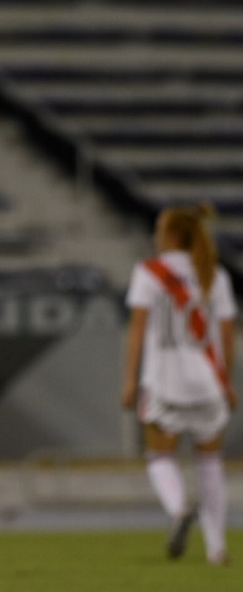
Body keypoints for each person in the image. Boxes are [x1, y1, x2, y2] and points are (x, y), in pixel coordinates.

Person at [122, 204, 237, 565]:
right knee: (210, 464)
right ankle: (217, 548)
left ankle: (178, 510)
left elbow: (137, 329)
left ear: (171, 235)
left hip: (165, 382)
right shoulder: (213, 274)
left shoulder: (150, 272)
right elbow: (228, 334)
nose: (156, 234)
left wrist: (129, 380)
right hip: (207, 383)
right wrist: (227, 381)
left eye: (159, 228)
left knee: (158, 456)